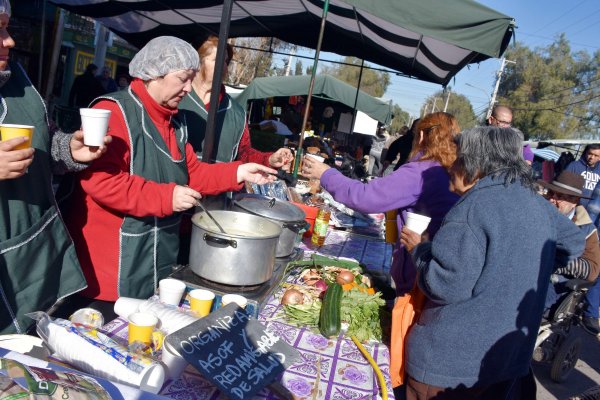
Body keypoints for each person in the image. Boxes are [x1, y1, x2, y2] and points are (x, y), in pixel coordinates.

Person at [61, 36, 277, 303]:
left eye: (191, 79)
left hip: (157, 259)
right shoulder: (114, 111)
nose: (188, 88)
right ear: (154, 74)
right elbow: (101, 182)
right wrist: (167, 197)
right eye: (182, 79)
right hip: (110, 267)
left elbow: (194, 174)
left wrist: (238, 173)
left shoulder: (174, 123)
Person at [400, 126, 585, 400]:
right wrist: (526, 267)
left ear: (476, 166)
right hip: (505, 361)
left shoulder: (471, 208)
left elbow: (445, 285)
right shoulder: (535, 201)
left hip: (449, 365)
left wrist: (420, 250)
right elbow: (573, 241)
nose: (452, 167)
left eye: (458, 159)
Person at [0, 0, 111, 334]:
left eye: (6, 28)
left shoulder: (17, 81)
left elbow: (45, 145)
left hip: (32, 252)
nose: (10, 41)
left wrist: (70, 150)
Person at [301, 112, 460, 295]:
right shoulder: (450, 169)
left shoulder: (421, 172)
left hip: (419, 272)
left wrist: (326, 174)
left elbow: (365, 197)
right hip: (435, 264)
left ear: (422, 136)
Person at [178, 35, 292, 168]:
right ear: (197, 62)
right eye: (217, 60)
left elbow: (244, 154)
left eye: (226, 61)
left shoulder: (237, 114)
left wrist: (269, 159)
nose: (224, 66)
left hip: (219, 186)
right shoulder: (176, 99)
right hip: (176, 185)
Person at [539, 171, 600, 323]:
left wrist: (558, 261)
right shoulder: (536, 211)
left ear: (575, 200)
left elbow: (592, 270)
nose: (552, 199)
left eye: (559, 196)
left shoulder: (586, 229)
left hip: (555, 282)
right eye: (551, 193)